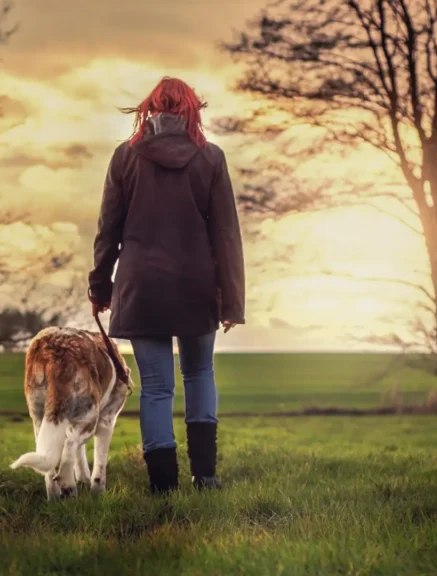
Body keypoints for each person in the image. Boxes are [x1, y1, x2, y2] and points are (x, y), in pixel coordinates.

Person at [87, 77, 246, 494]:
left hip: (142, 287)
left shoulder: (125, 157)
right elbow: (226, 235)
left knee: (156, 387)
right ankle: (205, 477)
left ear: (149, 110)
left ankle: (163, 488)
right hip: (197, 285)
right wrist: (232, 301)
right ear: (193, 111)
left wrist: (99, 287)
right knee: (199, 374)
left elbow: (108, 230)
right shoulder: (210, 158)